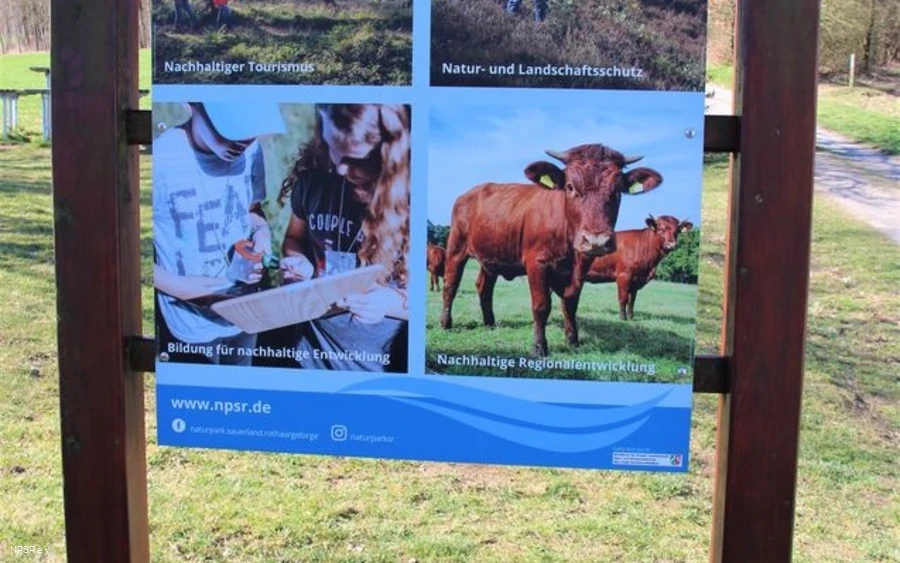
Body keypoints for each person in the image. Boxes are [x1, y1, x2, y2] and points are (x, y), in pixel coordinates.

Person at [275, 104, 410, 372]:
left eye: (358, 158)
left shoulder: (412, 205)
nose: (341, 169)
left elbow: (429, 300)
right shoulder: (313, 181)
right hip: (309, 352)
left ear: (393, 157)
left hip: (375, 365)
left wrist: (388, 302)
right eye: (334, 148)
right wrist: (298, 263)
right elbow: (293, 238)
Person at [154, 101, 285, 365]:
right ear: (191, 104)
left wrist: (261, 232)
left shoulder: (251, 152)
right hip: (188, 320)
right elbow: (127, 251)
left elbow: (251, 210)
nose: (243, 140)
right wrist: (176, 286)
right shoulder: (161, 158)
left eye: (252, 130)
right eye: (231, 129)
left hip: (244, 314)